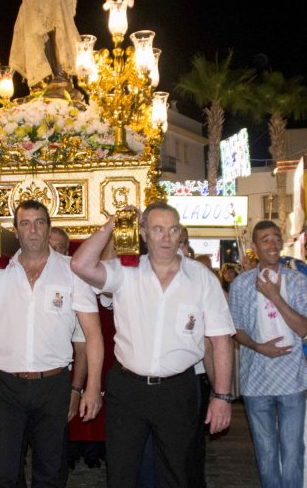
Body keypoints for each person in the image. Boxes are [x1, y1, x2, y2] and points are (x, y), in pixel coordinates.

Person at [70, 202, 235, 487]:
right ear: (143, 233)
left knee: (178, 473)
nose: (166, 237)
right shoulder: (125, 271)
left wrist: (222, 397)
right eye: (158, 229)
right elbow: (80, 264)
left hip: (177, 390)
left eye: (173, 229)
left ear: (180, 233)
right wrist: (113, 223)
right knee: (121, 473)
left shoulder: (202, 279)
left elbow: (221, 340)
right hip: (127, 389)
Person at [0, 201, 102, 488]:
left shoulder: (72, 271)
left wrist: (90, 388)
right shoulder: (0, 269)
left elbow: (92, 334)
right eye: (25, 223)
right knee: (3, 474)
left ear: (49, 228)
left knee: (50, 474)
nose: (33, 230)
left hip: (52, 386)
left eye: (39, 223)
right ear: (16, 230)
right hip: (6, 387)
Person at [229, 221, 307, 488]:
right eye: (265, 239)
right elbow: (236, 329)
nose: (272, 244)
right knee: (266, 452)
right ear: (254, 247)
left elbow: (302, 328)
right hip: (256, 378)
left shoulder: (299, 281)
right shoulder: (241, 284)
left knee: (292, 452)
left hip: (292, 378)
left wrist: (275, 296)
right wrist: (259, 347)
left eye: (276, 238)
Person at [10, 0, 80, 93]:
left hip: (56, 18)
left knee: (58, 42)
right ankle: (47, 77)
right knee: (44, 46)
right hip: (40, 23)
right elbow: (30, 0)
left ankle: (60, 74)